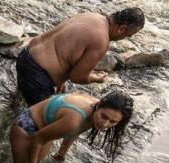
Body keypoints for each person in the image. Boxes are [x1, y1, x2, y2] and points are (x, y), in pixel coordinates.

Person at [17, 8, 145, 106]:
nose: (125, 38)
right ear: (122, 29)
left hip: (25, 56)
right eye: (128, 35)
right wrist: (95, 79)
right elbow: (77, 77)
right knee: (38, 123)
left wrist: (60, 80)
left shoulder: (91, 16)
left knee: (18, 104)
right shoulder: (101, 41)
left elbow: (63, 46)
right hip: (37, 76)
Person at [10, 91, 134, 163]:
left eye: (113, 122)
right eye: (104, 116)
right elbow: (38, 139)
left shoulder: (96, 112)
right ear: (100, 104)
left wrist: (61, 155)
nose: (105, 124)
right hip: (27, 125)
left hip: (47, 127)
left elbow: (75, 132)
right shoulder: (74, 119)